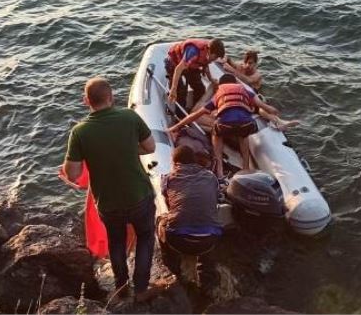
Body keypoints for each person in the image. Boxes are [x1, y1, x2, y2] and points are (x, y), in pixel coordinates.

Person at [61, 77, 168, 303]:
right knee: (145, 237)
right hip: (139, 195)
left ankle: (121, 289)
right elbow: (150, 146)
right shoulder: (129, 117)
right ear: (111, 97)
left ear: (86, 101)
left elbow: (72, 173)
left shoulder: (79, 132)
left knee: (116, 242)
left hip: (108, 203)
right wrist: (127, 149)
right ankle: (141, 289)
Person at [168, 74, 280, 179]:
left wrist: (176, 126)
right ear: (235, 83)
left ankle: (220, 170)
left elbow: (195, 115)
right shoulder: (245, 90)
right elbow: (264, 106)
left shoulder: (218, 94)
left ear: (220, 85)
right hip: (247, 125)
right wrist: (272, 111)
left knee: (216, 133)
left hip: (225, 126)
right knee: (243, 135)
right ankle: (246, 168)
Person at [158, 145, 221, 290]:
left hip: (179, 241)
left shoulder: (169, 179)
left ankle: (174, 269)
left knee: (159, 222)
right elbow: (215, 196)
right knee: (208, 224)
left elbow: (167, 199)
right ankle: (207, 277)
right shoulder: (211, 177)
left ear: (175, 163)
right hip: (209, 241)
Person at [221, 50, 299, 131]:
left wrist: (232, 70)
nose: (247, 65)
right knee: (257, 108)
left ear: (255, 63)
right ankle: (280, 122)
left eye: (250, 63)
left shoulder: (257, 75)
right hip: (246, 94)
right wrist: (225, 59)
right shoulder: (241, 66)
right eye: (246, 62)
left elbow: (248, 81)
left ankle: (280, 122)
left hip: (257, 95)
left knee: (260, 109)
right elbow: (229, 60)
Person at [165, 38, 225, 115]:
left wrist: (211, 79)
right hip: (175, 63)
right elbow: (178, 69)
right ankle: (180, 115)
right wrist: (174, 88)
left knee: (200, 89)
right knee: (181, 92)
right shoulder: (193, 51)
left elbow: (205, 65)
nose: (215, 59)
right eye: (215, 57)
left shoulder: (207, 54)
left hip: (191, 65)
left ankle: (194, 110)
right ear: (210, 51)